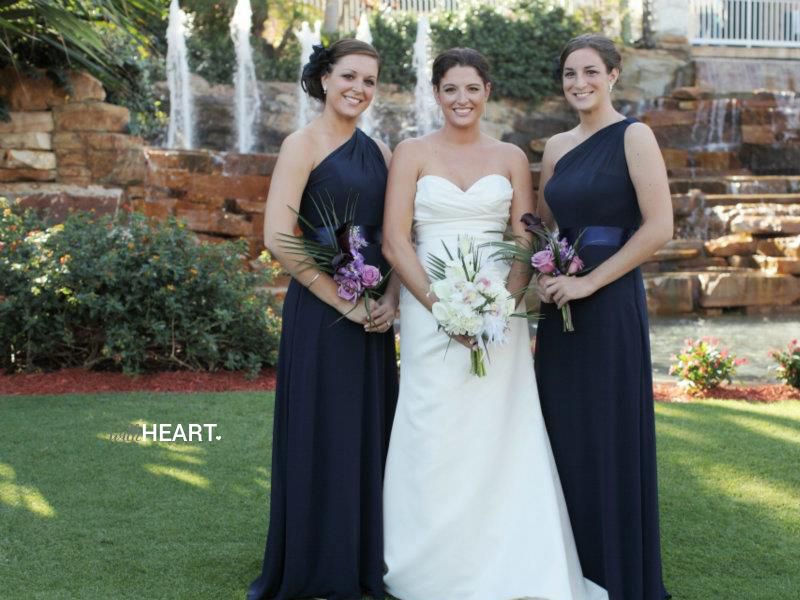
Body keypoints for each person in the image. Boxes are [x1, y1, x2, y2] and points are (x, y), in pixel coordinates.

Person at [381, 47, 608, 600]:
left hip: (499, 313)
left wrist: (501, 307)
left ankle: (510, 558)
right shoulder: (411, 152)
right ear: (436, 94)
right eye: (450, 89)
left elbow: (524, 237)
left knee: (501, 428)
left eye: (472, 88)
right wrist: (440, 307)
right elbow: (394, 240)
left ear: (487, 92)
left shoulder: (510, 156)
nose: (461, 99)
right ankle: (426, 565)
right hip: (429, 307)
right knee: (432, 425)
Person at [247, 39, 399, 600]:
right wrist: (343, 302)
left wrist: (391, 300)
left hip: (374, 314)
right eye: (349, 76)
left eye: (369, 81)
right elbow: (278, 236)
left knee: (368, 433)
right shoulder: (302, 144)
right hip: (321, 312)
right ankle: (317, 563)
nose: (359, 88)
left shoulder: (381, 152)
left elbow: (396, 236)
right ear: (325, 78)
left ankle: (364, 559)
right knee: (323, 431)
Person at [534, 34, 673, 600]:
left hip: (609, 305)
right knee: (562, 430)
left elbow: (659, 227)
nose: (579, 83)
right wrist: (544, 273)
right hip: (560, 311)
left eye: (590, 71)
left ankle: (615, 571)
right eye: (570, 73)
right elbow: (543, 229)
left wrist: (589, 281)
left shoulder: (634, 136)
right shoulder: (555, 147)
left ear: (613, 75)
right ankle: (567, 569)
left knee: (608, 432)